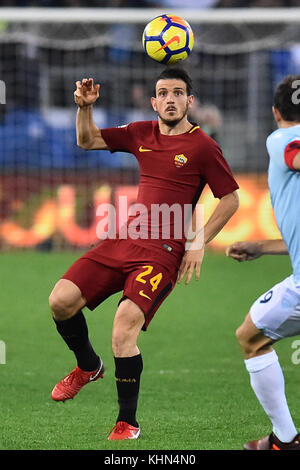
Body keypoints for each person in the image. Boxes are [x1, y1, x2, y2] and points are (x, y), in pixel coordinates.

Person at [49, 67, 239, 440]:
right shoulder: (141, 132)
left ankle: (127, 423)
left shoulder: (203, 147)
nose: (171, 99)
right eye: (163, 93)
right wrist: (84, 107)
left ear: (190, 101)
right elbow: (87, 141)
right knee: (60, 301)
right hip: (126, 238)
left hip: (163, 252)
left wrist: (198, 242)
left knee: (123, 328)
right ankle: (88, 366)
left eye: (178, 93)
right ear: (153, 102)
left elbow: (230, 199)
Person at [227, 74, 300, 450]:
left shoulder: (280, 138)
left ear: (275, 112)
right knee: (251, 334)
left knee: (251, 338)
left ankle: (286, 441)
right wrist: (262, 246)